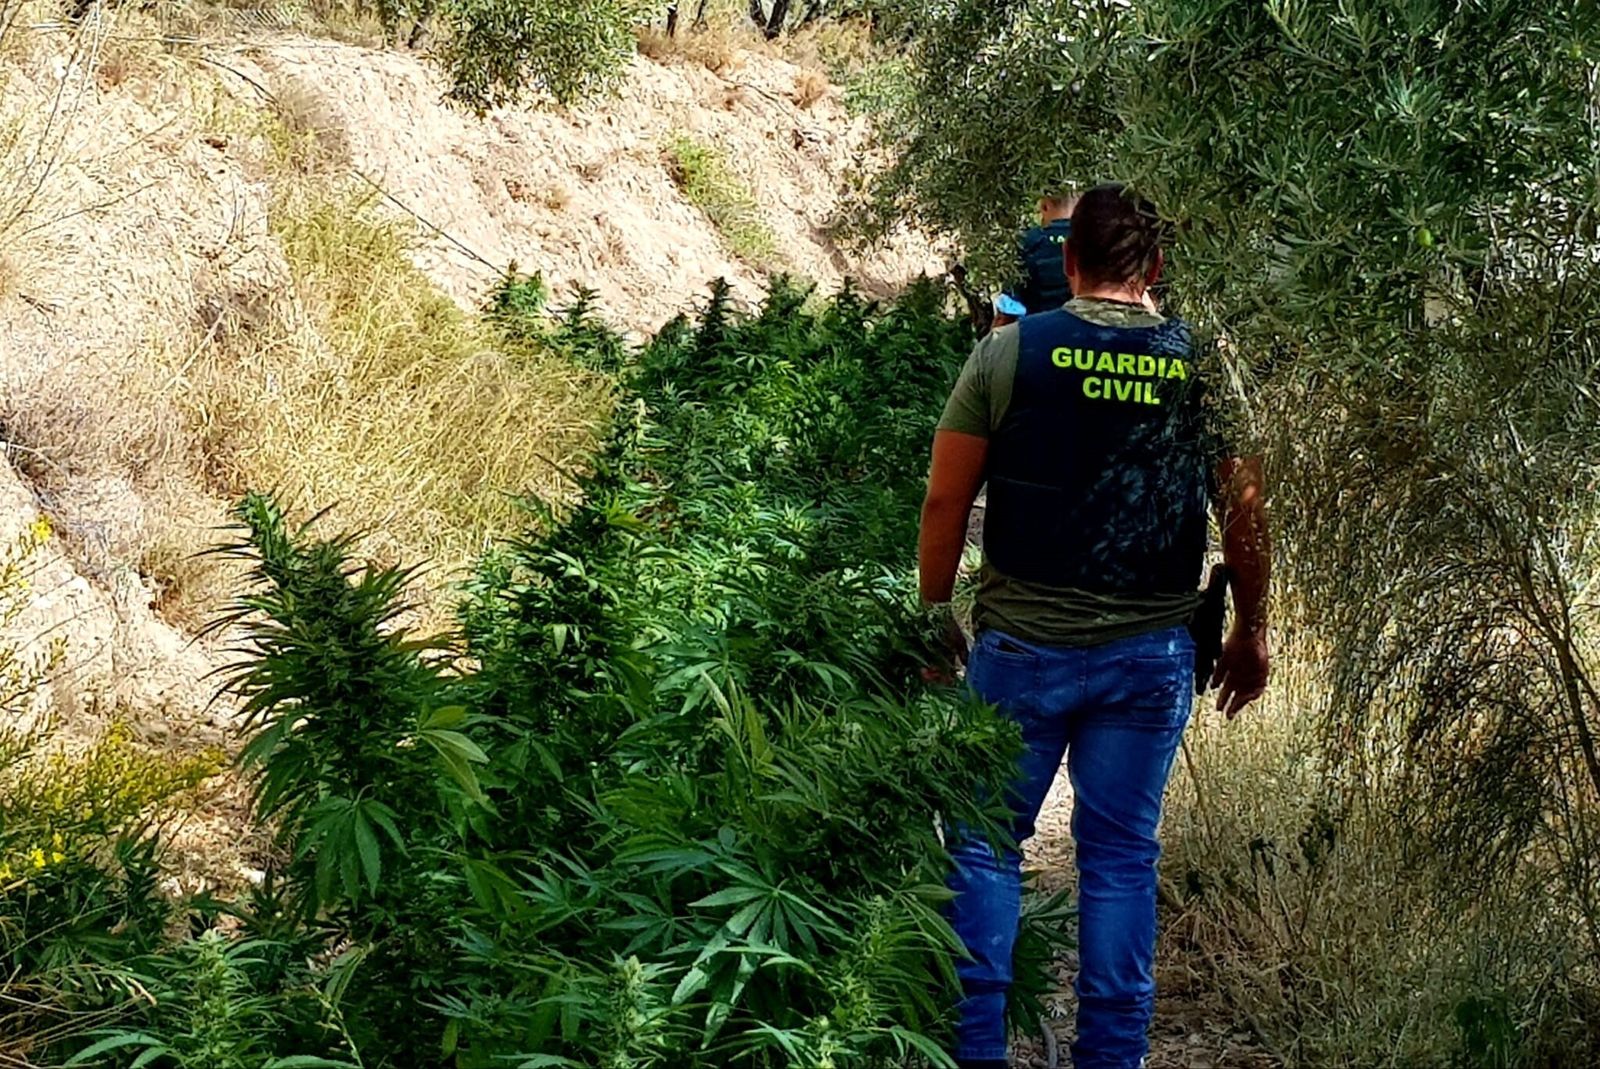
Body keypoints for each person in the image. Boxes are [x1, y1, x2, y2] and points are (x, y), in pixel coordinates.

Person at [917, 183, 1270, 1069]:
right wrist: (1250, 629)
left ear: (1066, 260)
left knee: (990, 843)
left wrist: (933, 613)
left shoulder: (1010, 353)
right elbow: (1246, 514)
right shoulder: (1202, 363)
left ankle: (975, 1050)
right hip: (1149, 657)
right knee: (1118, 859)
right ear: (1154, 268)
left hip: (1019, 653)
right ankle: (1111, 1056)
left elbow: (945, 500)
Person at [990, 193, 1078, 329]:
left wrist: (992, 344)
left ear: (1044, 206)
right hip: (1086, 334)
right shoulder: (1093, 238)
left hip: (1038, 332)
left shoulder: (1027, 242)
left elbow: (1009, 309)